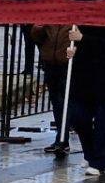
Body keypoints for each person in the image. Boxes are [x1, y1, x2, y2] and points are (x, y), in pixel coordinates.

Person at [67, 26, 105, 176]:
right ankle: (90, 154)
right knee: (78, 116)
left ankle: (100, 161)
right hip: (84, 74)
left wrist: (84, 40)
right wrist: (74, 50)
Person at [30, 24, 75, 156]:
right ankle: (60, 137)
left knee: (65, 102)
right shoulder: (50, 19)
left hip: (67, 64)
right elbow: (36, 38)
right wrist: (38, 28)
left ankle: (63, 139)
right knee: (56, 102)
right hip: (50, 62)